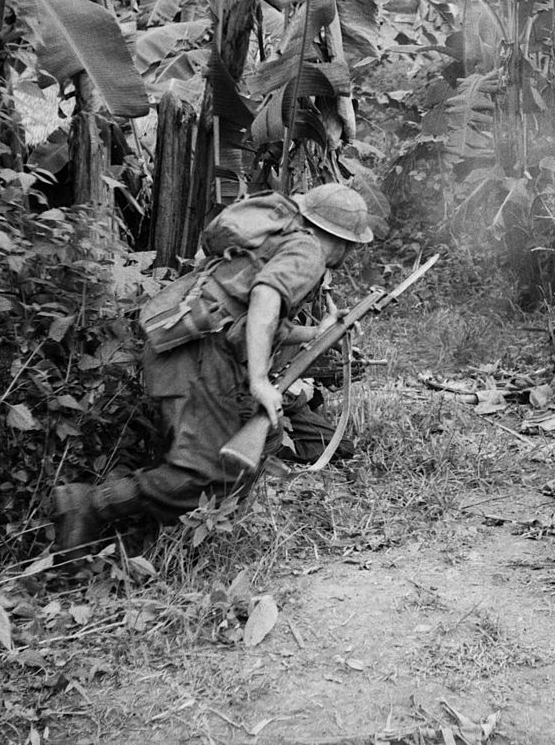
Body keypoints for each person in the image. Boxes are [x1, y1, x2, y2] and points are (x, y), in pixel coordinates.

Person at [52, 183, 373, 559]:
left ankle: (164, 536)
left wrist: (318, 334)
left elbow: (257, 318)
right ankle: (90, 504)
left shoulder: (277, 243)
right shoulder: (307, 251)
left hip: (193, 353)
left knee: (257, 441)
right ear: (341, 239)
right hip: (201, 359)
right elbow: (264, 301)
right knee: (207, 471)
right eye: (352, 245)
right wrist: (258, 381)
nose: (349, 253)